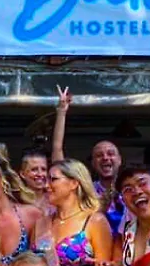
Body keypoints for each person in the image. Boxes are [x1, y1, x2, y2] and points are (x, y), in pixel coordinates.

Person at [51, 86, 125, 236]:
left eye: (110, 154)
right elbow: (57, 155)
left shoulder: (131, 188)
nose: (105, 158)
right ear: (93, 163)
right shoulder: (87, 189)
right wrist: (61, 112)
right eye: (99, 155)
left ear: (120, 160)